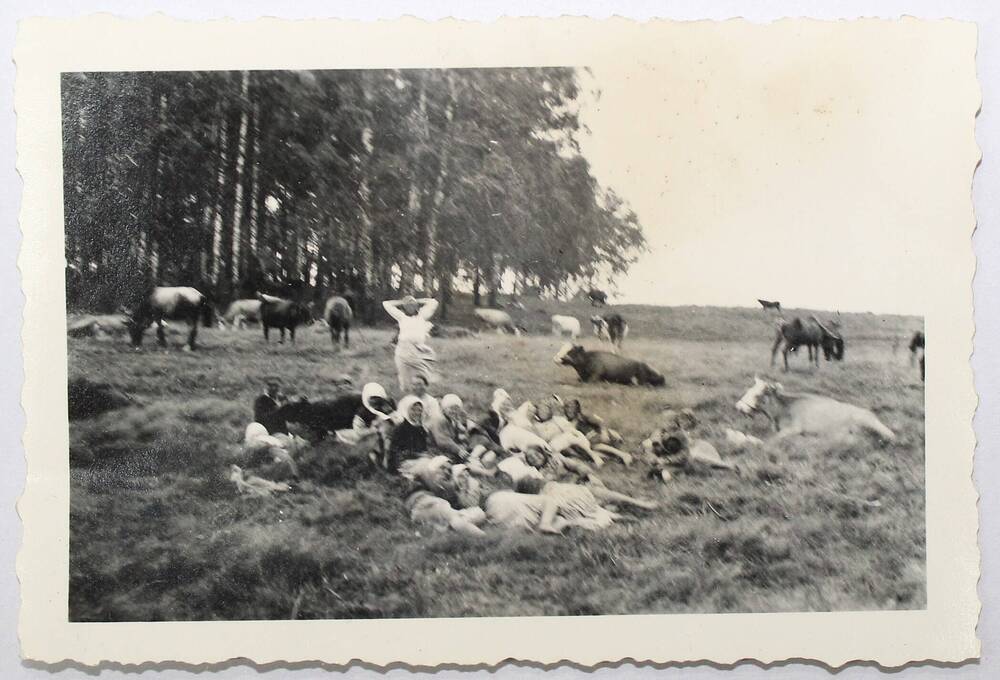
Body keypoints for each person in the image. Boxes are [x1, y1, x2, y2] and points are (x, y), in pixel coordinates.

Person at [382, 295, 439, 391]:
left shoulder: (422, 315)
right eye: (407, 306)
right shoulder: (401, 317)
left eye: (412, 306)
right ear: (404, 308)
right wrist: (402, 301)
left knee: (423, 376)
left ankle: (421, 392)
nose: (410, 308)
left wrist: (416, 300)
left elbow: (434, 302)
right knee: (404, 378)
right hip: (403, 349)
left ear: (416, 306)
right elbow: (386, 304)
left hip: (418, 349)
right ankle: (406, 394)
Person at [336, 382, 396, 467]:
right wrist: (372, 430)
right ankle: (376, 458)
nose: (375, 403)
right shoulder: (362, 413)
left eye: (378, 399)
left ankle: (387, 457)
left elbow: (395, 417)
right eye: (372, 399)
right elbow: (358, 430)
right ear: (367, 399)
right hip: (369, 435)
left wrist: (390, 418)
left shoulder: (388, 404)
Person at [387, 396, 430, 472]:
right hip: (401, 463)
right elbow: (396, 452)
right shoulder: (400, 429)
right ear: (406, 410)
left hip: (418, 460)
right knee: (427, 465)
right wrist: (420, 455)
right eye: (413, 410)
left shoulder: (421, 428)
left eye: (419, 410)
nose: (417, 413)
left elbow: (423, 448)